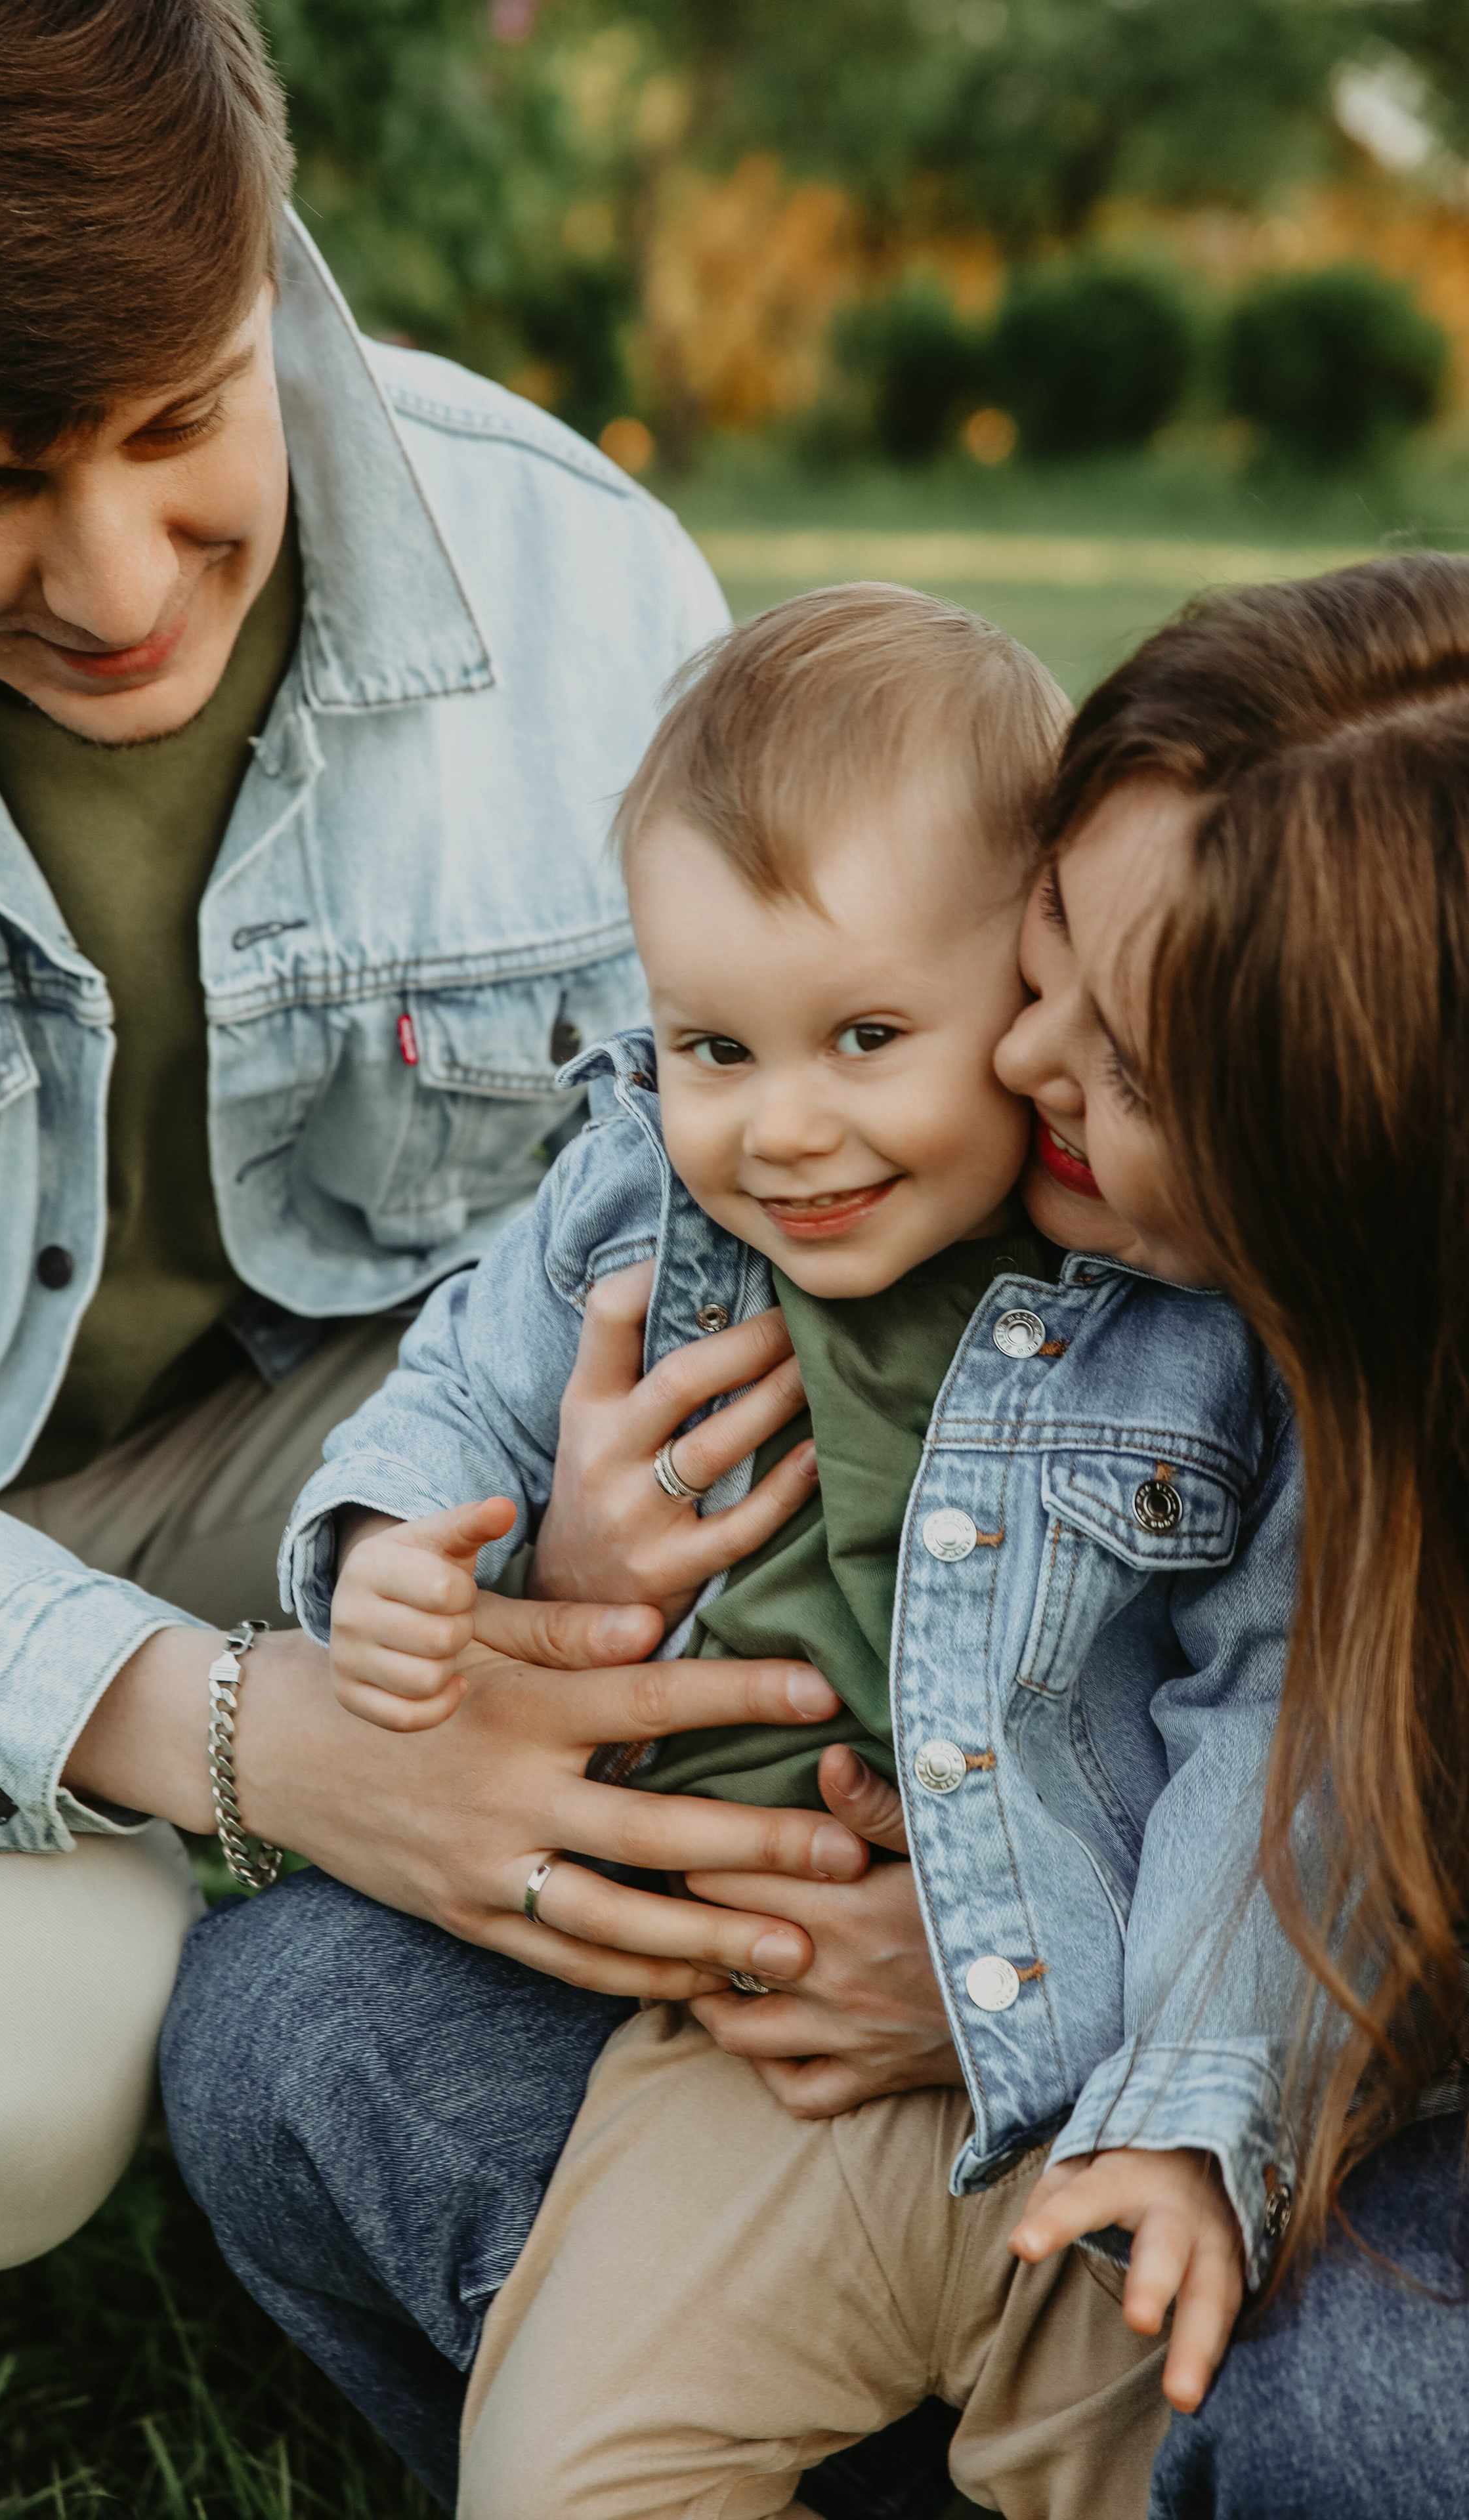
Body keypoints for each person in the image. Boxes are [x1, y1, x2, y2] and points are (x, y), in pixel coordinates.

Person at [0, 0, 885, 2307]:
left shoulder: (588, 591)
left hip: (319, 1456)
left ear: (268, 256)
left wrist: (560, 1529)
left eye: (181, 422)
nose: (111, 584)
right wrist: (235, 1734)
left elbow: (715, 1206)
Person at [170, 589, 1308, 2517]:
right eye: (714, 1044)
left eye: (868, 1037)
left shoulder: (1176, 1298)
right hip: (738, 2064)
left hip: (1099, 2103)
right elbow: (457, 1384)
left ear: (1034, 989)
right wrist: (393, 1550)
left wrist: (1191, 2090)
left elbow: (1270, 1719)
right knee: (567, 2470)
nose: (782, 1129)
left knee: (1171, 2466)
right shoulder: (636, 1202)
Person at [989, 556, 1469, 2520]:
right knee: (301, 2032)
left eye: (1132, 1070)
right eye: (1045, 954)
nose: (1021, 1065)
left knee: (1352, 2398)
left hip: (1296, 2143)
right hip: (1084, 2136)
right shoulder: (1047, 1242)